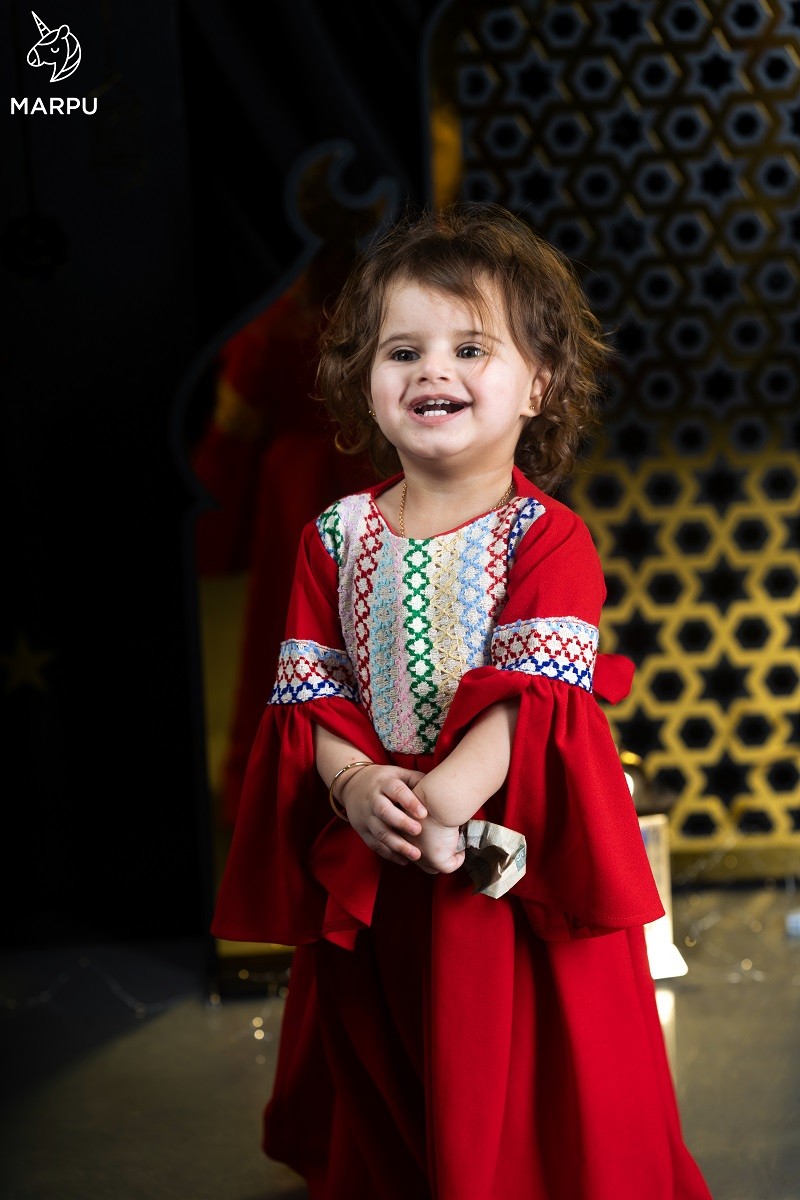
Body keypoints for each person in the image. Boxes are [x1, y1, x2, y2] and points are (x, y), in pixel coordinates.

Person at [210, 203, 713, 1200]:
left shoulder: (545, 536)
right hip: (382, 849)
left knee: (519, 1062)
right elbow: (313, 696)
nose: (430, 370)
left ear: (539, 383)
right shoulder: (334, 536)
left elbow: (533, 704)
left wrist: (443, 802)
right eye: (402, 351)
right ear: (364, 381)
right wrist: (355, 787)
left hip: (503, 860)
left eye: (470, 348)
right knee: (389, 1047)